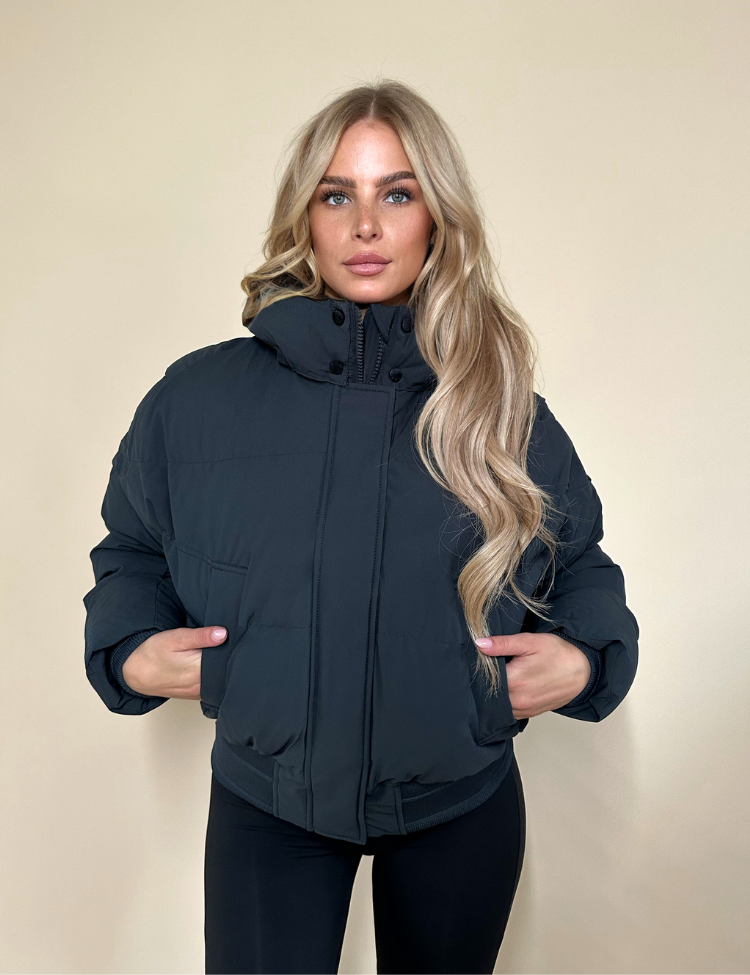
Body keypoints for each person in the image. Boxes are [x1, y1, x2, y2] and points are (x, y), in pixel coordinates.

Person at [83, 79, 639, 975]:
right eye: (337, 194)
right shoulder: (196, 398)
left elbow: (580, 564)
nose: (367, 225)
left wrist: (586, 655)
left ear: (437, 217)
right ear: (304, 215)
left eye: (398, 193)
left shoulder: (498, 405)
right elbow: (133, 549)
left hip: (460, 806)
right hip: (269, 807)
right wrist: (128, 647)